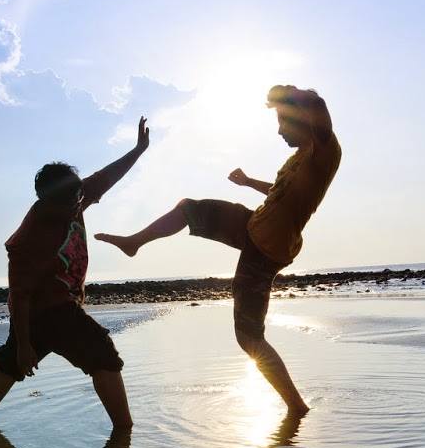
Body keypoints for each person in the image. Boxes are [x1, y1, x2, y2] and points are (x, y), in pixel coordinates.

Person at [95, 86, 339, 415]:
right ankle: (134, 242)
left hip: (266, 249)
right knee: (189, 208)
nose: (279, 130)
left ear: (302, 119)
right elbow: (281, 192)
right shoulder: (298, 160)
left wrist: (288, 94)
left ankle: (296, 406)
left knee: (249, 337)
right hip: (253, 226)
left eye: (283, 121)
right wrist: (250, 182)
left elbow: (318, 106)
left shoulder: (324, 151)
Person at [0, 118, 150, 430]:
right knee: (103, 355)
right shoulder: (27, 240)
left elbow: (108, 177)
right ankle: (125, 433)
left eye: (79, 200)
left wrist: (138, 150)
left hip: (59, 306)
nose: (75, 208)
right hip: (48, 310)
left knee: (11, 363)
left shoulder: (73, 196)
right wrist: (25, 344)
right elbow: (19, 297)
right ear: (45, 200)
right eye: (68, 204)